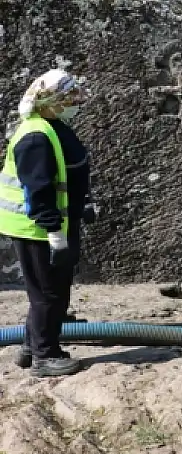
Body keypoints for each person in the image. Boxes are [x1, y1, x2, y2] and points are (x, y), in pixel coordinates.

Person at [0, 70, 91, 377]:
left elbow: (66, 174)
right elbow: (36, 190)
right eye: (68, 99)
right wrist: (55, 234)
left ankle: (30, 346)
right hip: (38, 230)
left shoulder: (53, 126)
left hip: (53, 225)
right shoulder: (36, 137)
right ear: (50, 102)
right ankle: (45, 355)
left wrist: (83, 207)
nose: (74, 103)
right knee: (49, 294)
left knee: (49, 291)